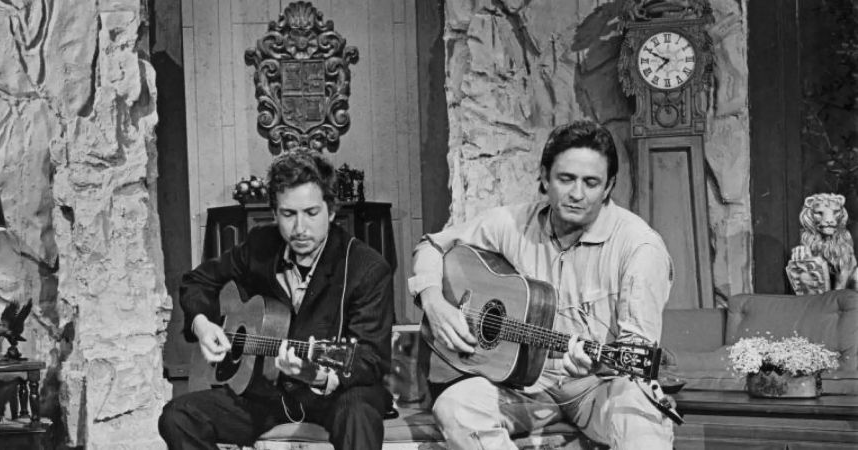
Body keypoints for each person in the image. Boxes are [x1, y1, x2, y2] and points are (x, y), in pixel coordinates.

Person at [408, 119, 675, 449]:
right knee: (456, 406)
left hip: (601, 385)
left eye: (591, 183)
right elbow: (432, 245)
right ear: (545, 178)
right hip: (524, 385)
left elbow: (637, 350)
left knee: (642, 421)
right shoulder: (513, 223)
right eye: (566, 179)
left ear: (608, 188)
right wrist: (433, 301)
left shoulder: (640, 247)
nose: (577, 193)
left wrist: (597, 362)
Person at [159, 150, 394, 450]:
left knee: (359, 413)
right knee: (178, 416)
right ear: (274, 214)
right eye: (288, 214)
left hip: (335, 392)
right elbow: (198, 280)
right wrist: (202, 325)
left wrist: (318, 375)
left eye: (311, 213)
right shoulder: (261, 245)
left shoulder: (366, 267)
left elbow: (370, 357)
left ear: (331, 211)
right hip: (267, 395)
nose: (300, 229)